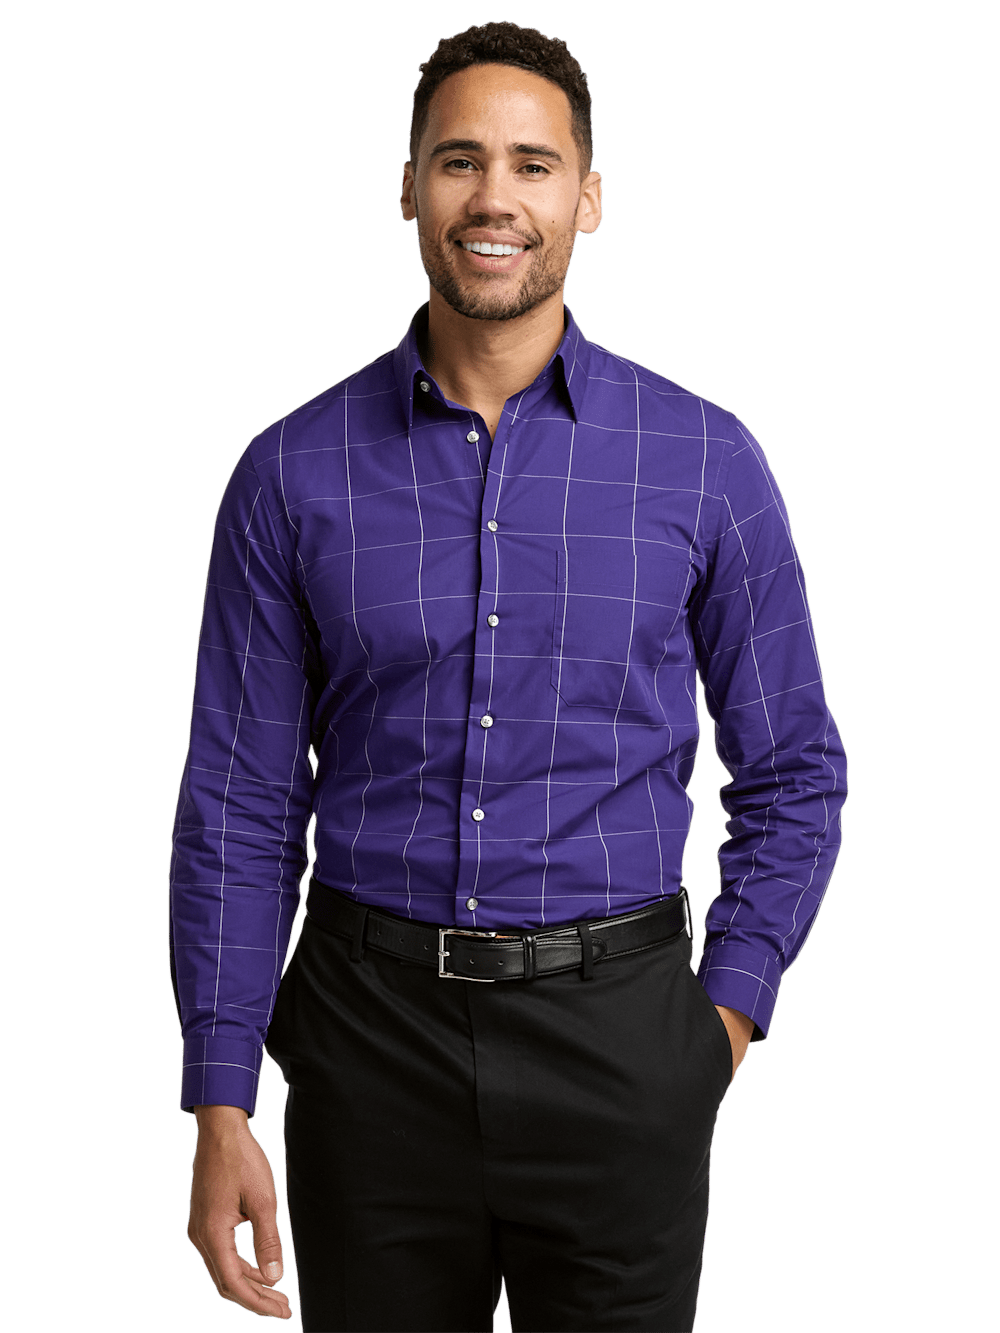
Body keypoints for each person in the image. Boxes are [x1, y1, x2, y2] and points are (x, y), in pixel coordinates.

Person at [170, 20, 848, 1332]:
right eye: (459, 160)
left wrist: (718, 1028)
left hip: (624, 1041)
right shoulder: (290, 472)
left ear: (586, 199)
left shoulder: (706, 461)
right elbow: (239, 802)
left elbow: (795, 769)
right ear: (409, 188)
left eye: (533, 165)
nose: (495, 196)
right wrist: (220, 1096)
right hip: (369, 1051)